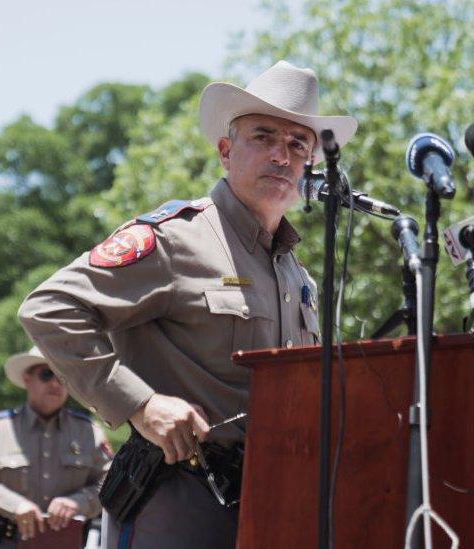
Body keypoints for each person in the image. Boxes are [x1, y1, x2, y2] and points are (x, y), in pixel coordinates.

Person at [18, 60, 357, 548]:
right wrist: (142, 404)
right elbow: (49, 308)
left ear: (310, 165)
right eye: (264, 137)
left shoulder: (295, 274)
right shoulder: (177, 238)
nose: (282, 156)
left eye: (297, 144)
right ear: (225, 150)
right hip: (179, 495)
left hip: (274, 500)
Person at [0, 346, 112, 548]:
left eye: (62, 376)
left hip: (64, 542)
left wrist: (79, 502)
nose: (55, 383)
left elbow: (111, 482)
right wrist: (15, 505)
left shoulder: (88, 432)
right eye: (47, 374)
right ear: (27, 379)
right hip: (5, 540)